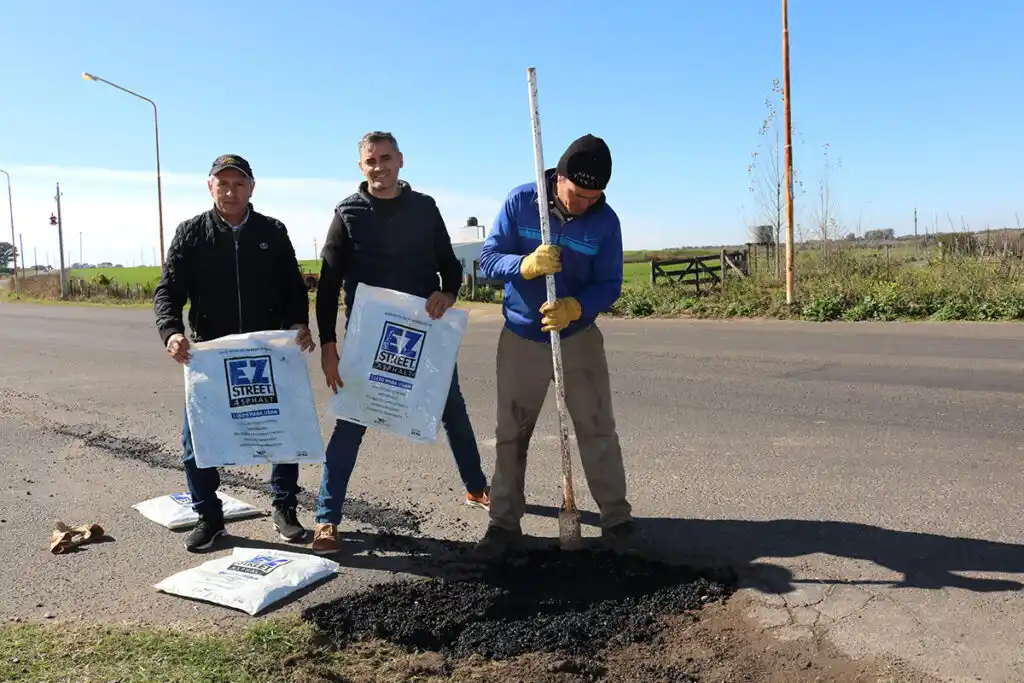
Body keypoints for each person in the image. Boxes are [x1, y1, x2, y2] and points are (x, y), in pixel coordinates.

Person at [310, 130, 490, 555]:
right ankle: (326, 518)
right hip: (365, 341)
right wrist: (329, 346)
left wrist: (448, 295)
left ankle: (478, 488)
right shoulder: (348, 213)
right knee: (351, 423)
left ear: (401, 160)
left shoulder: (425, 209)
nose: (380, 167)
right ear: (361, 166)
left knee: (453, 412)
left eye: (386, 159)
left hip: (424, 336)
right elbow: (329, 284)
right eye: (371, 161)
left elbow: (450, 269)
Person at [472, 134, 640, 561]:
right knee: (511, 433)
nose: (585, 203)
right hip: (522, 338)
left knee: (597, 428)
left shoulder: (606, 221)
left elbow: (611, 284)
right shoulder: (521, 201)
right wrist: (523, 265)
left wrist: (576, 307)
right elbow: (489, 260)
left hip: (578, 337)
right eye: (577, 194)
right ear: (557, 177)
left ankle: (616, 519)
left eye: (594, 196)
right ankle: (504, 523)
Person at [153, 154, 316, 552]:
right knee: (198, 441)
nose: (230, 191)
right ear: (210, 187)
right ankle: (209, 517)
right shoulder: (191, 233)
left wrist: (297, 323)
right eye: (222, 184)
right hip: (210, 356)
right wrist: (172, 331)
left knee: (281, 432)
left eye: (238, 184)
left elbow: (293, 288)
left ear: (251, 188)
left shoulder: (272, 232)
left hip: (266, 354)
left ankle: (284, 509)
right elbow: (168, 292)